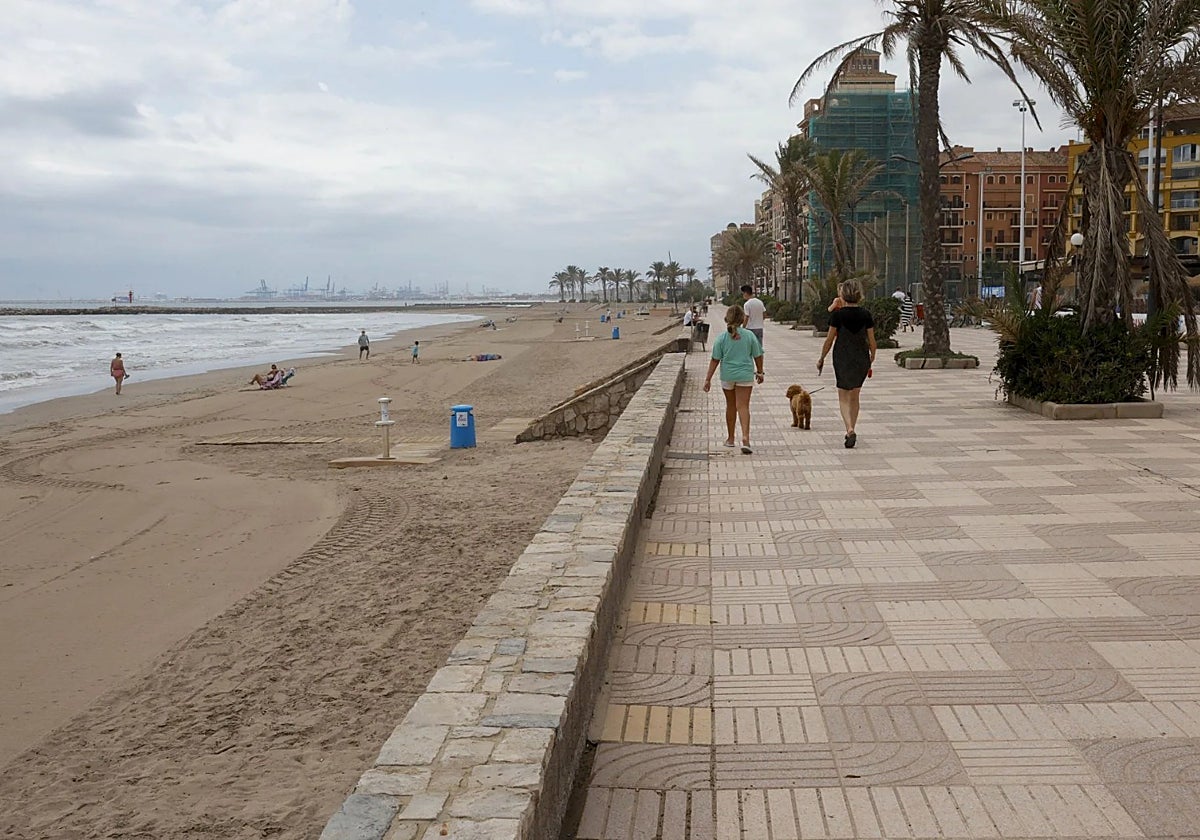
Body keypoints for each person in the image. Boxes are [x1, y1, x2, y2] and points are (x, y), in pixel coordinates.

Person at [817, 279, 876, 449]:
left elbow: (829, 340)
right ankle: (853, 427)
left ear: (843, 294)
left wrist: (821, 358)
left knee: (843, 395)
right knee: (855, 395)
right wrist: (872, 356)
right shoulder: (866, 314)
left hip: (842, 357)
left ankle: (849, 428)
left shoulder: (838, 315)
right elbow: (872, 340)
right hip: (861, 357)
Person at [703, 305, 764, 455]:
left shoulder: (721, 338)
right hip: (745, 375)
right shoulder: (749, 336)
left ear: (727, 319)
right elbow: (758, 355)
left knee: (730, 405)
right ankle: (746, 438)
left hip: (728, 376)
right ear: (742, 319)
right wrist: (760, 372)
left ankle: (730, 439)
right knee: (743, 406)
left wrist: (708, 379)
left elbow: (715, 360)